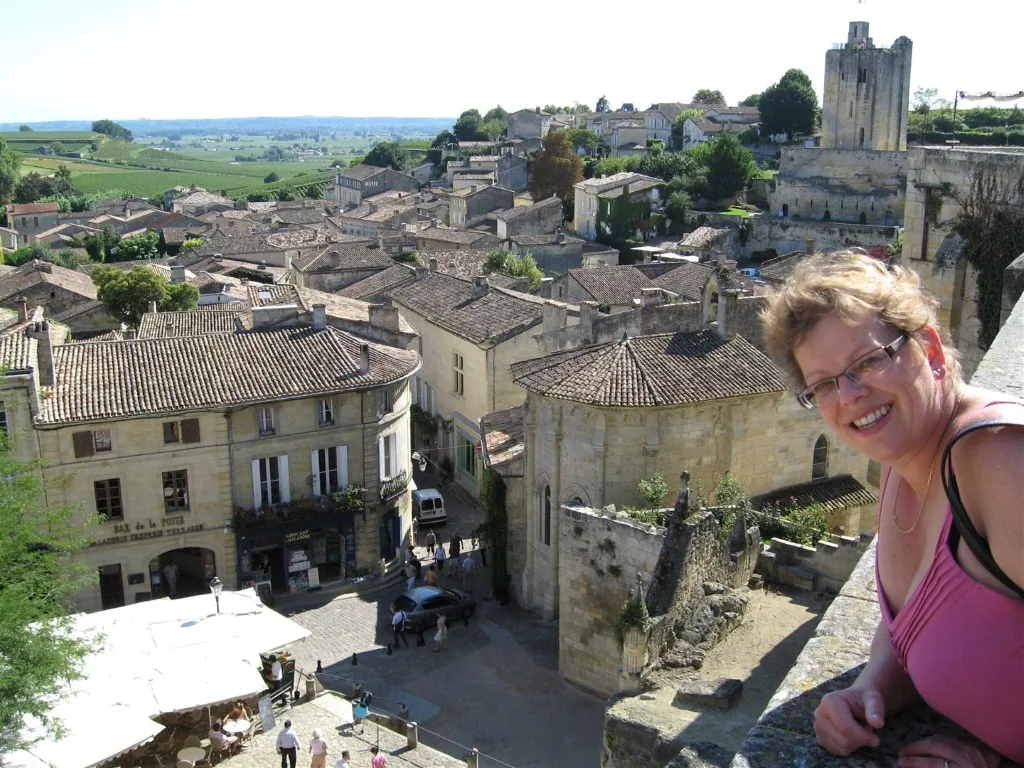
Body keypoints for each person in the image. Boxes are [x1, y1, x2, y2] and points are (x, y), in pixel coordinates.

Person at [761, 250, 1024, 766]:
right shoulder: (905, 465)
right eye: (824, 384)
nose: (851, 394)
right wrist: (870, 690)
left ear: (928, 346)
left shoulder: (997, 460)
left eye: (868, 360)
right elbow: (930, 620)